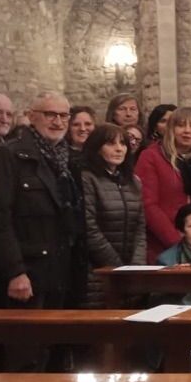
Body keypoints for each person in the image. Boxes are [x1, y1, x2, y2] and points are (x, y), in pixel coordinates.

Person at [0, 92, 79, 382]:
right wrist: (14, 271)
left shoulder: (63, 158)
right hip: (28, 268)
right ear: (31, 116)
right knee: (23, 349)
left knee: (50, 347)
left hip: (57, 267)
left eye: (64, 116)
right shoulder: (11, 155)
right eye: (50, 114)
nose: (58, 122)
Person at [135, 107, 191, 262]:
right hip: (163, 246)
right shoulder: (151, 156)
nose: (187, 131)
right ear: (171, 129)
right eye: (181, 125)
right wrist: (177, 243)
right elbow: (148, 204)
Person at [78, 124, 146, 310]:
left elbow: (140, 227)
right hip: (97, 271)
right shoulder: (87, 178)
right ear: (97, 147)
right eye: (111, 143)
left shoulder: (133, 181)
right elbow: (89, 227)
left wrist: (136, 266)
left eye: (123, 143)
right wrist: (117, 266)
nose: (119, 149)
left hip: (129, 271)